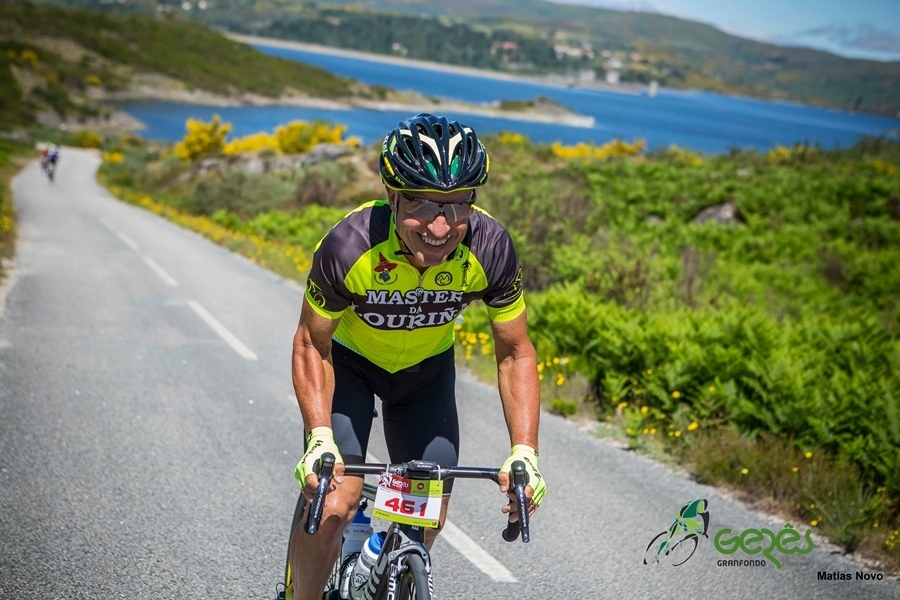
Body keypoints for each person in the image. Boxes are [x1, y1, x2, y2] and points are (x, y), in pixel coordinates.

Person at [289, 113, 546, 599]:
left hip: (424, 377)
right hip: (349, 367)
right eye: (421, 203)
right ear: (392, 196)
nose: (440, 225)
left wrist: (525, 452)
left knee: (426, 519)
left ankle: (378, 559)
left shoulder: (490, 248)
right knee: (334, 506)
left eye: (457, 204)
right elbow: (311, 343)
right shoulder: (350, 246)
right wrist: (319, 437)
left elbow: (516, 353)